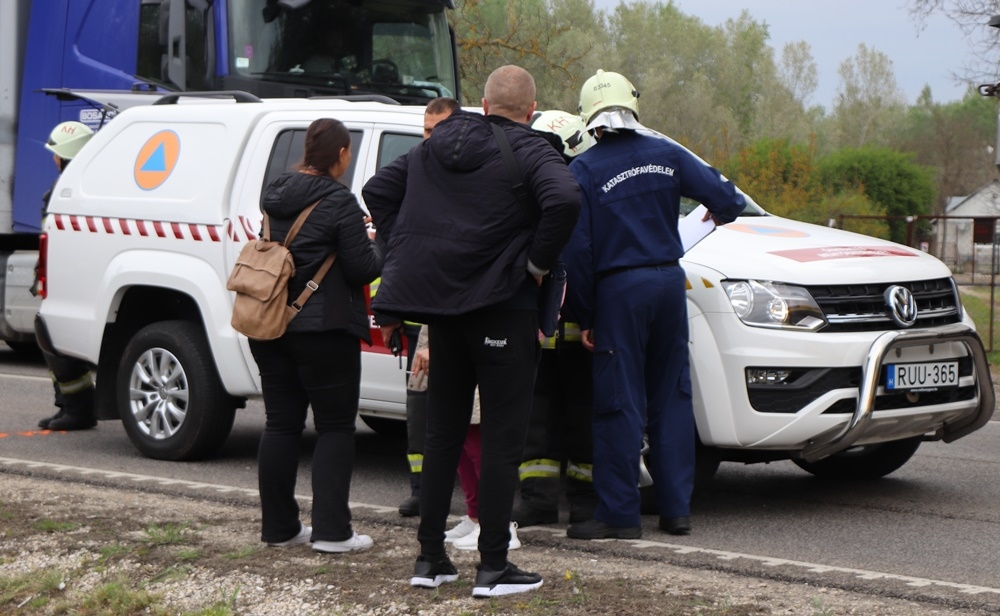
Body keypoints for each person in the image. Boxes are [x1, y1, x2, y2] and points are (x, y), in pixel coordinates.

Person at [362, 65, 580, 598]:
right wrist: (535, 264)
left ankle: (430, 559)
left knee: (442, 435)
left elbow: (376, 189)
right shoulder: (531, 150)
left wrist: (409, 245)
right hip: (503, 309)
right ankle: (493, 567)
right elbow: (566, 199)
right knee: (502, 439)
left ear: (483, 105)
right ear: (531, 111)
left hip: (443, 312)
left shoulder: (436, 145)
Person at [562, 70, 746, 540]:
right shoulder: (668, 153)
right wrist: (709, 215)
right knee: (672, 398)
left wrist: (585, 314)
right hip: (668, 283)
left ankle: (619, 515)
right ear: (633, 106)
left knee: (619, 401)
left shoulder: (584, 169)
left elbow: (578, 253)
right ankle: (676, 510)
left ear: (589, 118)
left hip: (620, 292)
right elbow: (727, 199)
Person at [251, 117, 383, 553]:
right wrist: (379, 241)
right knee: (335, 428)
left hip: (270, 323)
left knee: (281, 424)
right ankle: (332, 532)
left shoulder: (274, 193)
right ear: (341, 155)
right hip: (324, 329)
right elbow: (363, 268)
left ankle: (280, 529)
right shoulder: (339, 201)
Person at [375, 96, 461, 518]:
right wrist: (388, 314)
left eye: (437, 131)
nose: (429, 139)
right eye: (425, 131)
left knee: (463, 408)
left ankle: (467, 493)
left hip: (456, 315)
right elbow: (387, 248)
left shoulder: (468, 173)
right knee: (420, 409)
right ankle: (421, 489)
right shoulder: (411, 170)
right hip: (415, 318)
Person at [512, 110, 597, 528]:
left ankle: (543, 500)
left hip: (549, 326)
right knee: (575, 415)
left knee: (541, 416)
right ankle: (577, 502)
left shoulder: (531, 186)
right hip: (571, 327)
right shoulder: (580, 188)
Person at [36, 121, 98, 431]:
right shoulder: (92, 184)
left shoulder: (65, 191)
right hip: (82, 272)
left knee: (52, 335)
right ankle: (73, 407)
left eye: (56, 153)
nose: (53, 158)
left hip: (70, 274)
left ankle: (77, 409)